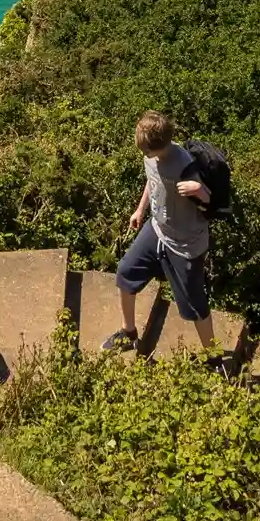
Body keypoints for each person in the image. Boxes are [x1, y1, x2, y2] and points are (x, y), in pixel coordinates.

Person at [109, 112, 221, 356]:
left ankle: (214, 356)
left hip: (185, 244)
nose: (145, 156)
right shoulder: (152, 156)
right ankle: (128, 333)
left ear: (157, 146)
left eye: (146, 151)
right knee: (125, 272)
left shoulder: (186, 167)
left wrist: (201, 191)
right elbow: (153, 180)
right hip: (157, 229)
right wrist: (140, 210)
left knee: (194, 305)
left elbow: (214, 205)